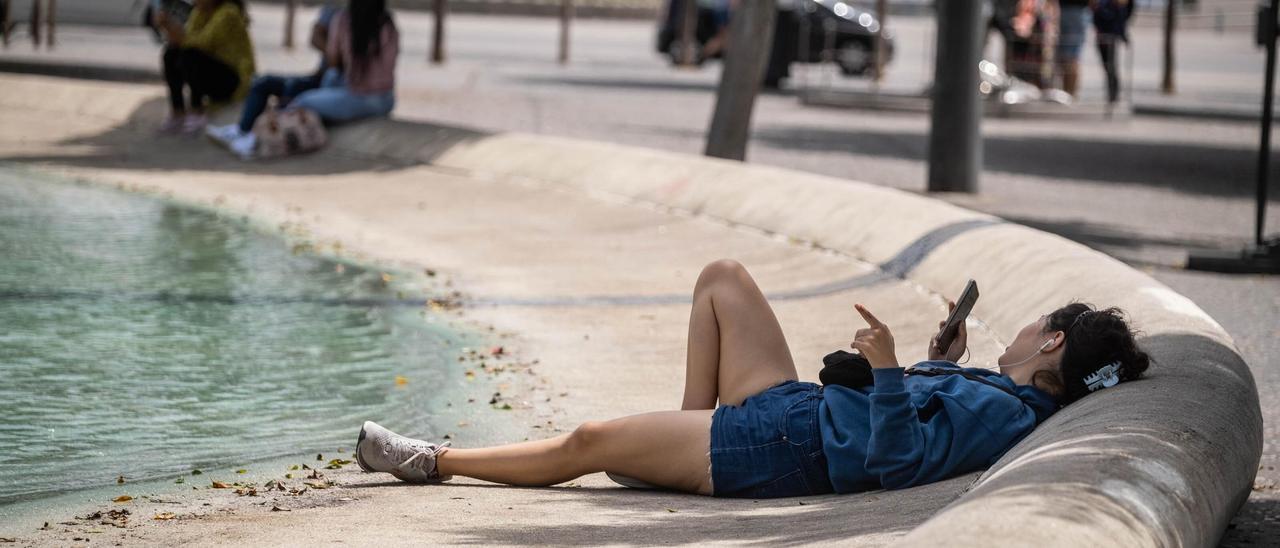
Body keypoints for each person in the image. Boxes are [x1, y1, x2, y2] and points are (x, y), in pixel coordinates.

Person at [353, 260, 1150, 497]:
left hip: (784, 447)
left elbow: (896, 462)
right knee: (723, 279)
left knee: (587, 442)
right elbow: (918, 420)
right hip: (793, 411)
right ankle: (674, 441)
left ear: (1052, 341)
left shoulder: (1007, 416)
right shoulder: (1005, 397)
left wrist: (887, 368)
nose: (1022, 331)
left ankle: (433, 460)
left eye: (1034, 325)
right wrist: (936, 356)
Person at [206, 5, 340, 156]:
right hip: (322, 75)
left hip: (334, 81)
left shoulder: (345, 19)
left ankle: (262, 138)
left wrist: (335, 49)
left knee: (292, 88)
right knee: (264, 82)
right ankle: (243, 131)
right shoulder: (336, 9)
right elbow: (315, 38)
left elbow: (334, 60)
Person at [153, 0, 255, 134]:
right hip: (213, 71)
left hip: (233, 80)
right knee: (171, 53)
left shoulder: (228, 13)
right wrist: (168, 28)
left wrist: (171, 28)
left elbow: (201, 43)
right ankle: (178, 111)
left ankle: (197, 110)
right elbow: (185, 40)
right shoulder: (199, 12)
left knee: (190, 55)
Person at [1093, 0, 1134, 106]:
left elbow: (1121, 21)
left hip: (1110, 37)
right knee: (1108, 66)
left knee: (1110, 66)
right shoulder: (1105, 5)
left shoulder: (1117, 7)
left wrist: (1123, 36)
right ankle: (1112, 92)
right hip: (1104, 37)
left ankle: (1113, 93)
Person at [1055, 0, 1091, 96]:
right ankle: (1068, 93)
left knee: (1069, 57)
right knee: (1068, 57)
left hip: (1071, 11)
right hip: (1072, 11)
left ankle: (1069, 93)